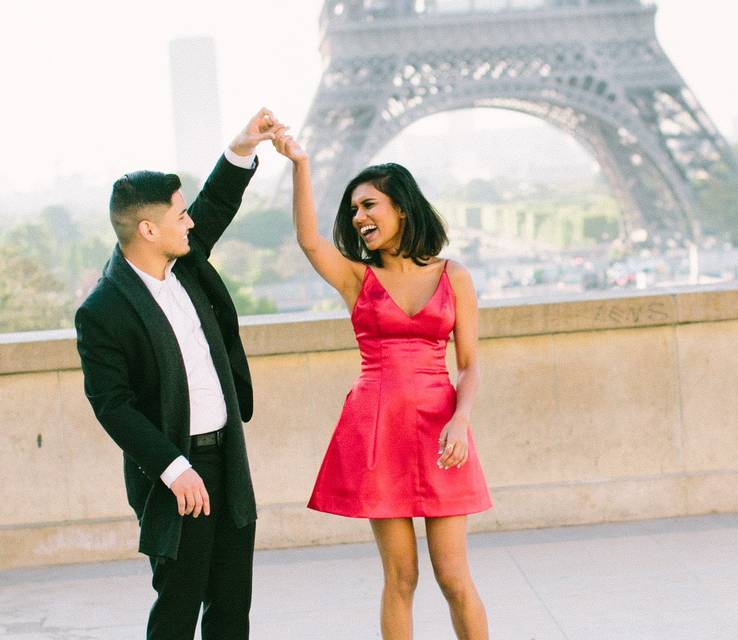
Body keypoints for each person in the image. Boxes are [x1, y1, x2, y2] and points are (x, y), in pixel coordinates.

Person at [272, 127, 492, 639]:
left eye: (369, 204)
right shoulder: (357, 278)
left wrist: (461, 420)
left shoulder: (454, 275)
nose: (359, 218)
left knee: (454, 576)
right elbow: (308, 240)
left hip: (442, 432)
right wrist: (301, 164)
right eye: (353, 210)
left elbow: (470, 365)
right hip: (379, 431)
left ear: (402, 209)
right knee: (401, 576)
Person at [74, 108, 280, 640]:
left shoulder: (186, 262)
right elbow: (111, 404)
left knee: (232, 609)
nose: (190, 222)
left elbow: (215, 204)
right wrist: (172, 467)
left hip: (228, 458)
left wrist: (240, 147)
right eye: (179, 215)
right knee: (178, 610)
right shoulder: (103, 310)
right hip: (175, 475)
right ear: (149, 228)